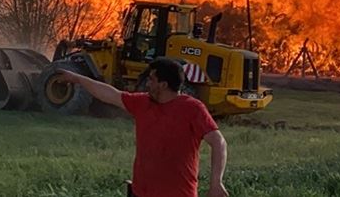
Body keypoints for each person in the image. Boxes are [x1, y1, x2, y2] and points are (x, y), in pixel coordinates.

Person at [57, 58, 229, 197]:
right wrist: (78, 78)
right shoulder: (142, 103)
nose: (147, 84)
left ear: (163, 84)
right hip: (141, 192)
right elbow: (110, 94)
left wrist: (216, 183)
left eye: (151, 80)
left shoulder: (192, 108)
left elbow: (218, 142)